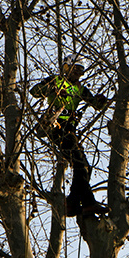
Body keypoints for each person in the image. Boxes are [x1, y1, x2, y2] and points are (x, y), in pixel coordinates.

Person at [30, 60, 110, 218]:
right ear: (66, 67)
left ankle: (73, 203)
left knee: (85, 166)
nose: (77, 74)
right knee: (80, 163)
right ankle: (87, 203)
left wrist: (101, 101)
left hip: (70, 129)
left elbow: (95, 104)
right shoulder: (56, 80)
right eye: (74, 70)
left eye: (80, 71)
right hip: (56, 126)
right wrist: (53, 89)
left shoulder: (80, 89)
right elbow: (35, 91)